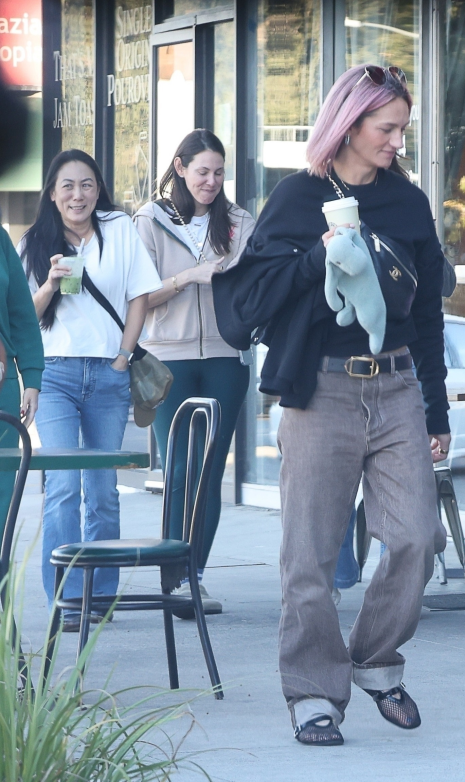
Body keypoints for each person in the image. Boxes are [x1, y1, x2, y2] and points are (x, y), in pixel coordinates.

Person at [212, 64, 449, 746]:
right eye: (387, 128)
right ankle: (314, 691)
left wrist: (436, 411)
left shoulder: (408, 204)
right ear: (348, 125)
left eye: (402, 129)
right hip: (321, 390)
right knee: (310, 555)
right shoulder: (295, 199)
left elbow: (428, 314)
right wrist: (319, 258)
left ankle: (375, 660)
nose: (397, 142)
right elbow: (255, 300)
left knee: (414, 537)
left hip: (398, 383)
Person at [21, 150, 162, 632]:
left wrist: (124, 355)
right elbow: (25, 315)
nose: (77, 194)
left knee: (101, 490)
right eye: (67, 186)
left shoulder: (120, 229)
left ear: (97, 189)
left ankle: (99, 596)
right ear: (53, 193)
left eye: (86, 185)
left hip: (108, 373)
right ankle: (64, 597)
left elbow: (140, 295)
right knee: (63, 486)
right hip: (56, 372)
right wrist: (51, 283)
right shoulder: (35, 241)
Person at [134, 129, 256, 618]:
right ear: (180, 168)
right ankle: (173, 575)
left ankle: (195, 578)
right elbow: (137, 296)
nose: (211, 181)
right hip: (168, 357)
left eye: (219, 172)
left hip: (227, 359)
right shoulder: (150, 219)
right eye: (202, 171)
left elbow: (254, 285)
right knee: (180, 469)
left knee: (209, 471)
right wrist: (189, 276)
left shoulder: (240, 221)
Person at [0, 225, 43, 533]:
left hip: (3, 387)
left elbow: (21, 313)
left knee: (2, 495)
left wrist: (31, 377)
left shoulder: (0, 240)